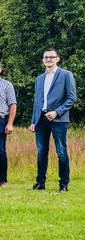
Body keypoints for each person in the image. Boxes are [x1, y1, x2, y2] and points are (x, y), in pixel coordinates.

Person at [30, 48, 78, 192]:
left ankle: (63, 184)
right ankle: (40, 183)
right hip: (41, 120)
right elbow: (37, 102)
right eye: (46, 57)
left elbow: (71, 98)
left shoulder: (66, 75)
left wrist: (57, 112)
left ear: (57, 59)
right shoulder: (39, 78)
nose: (48, 59)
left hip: (59, 120)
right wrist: (33, 121)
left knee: (61, 152)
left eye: (51, 57)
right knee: (41, 152)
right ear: (43, 60)